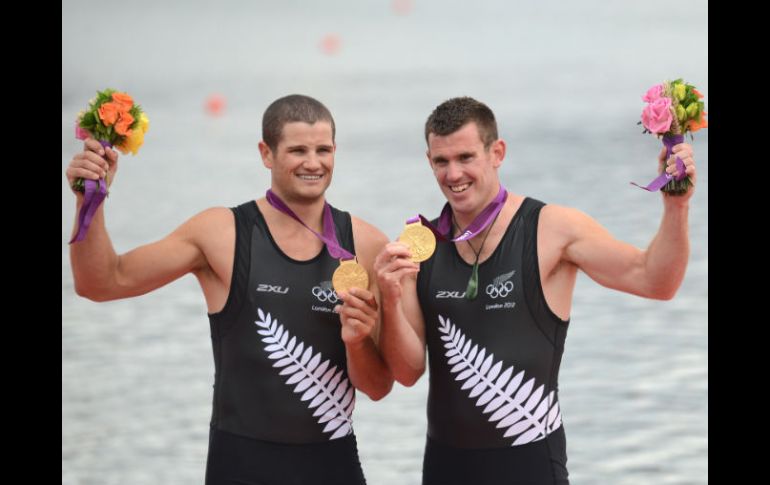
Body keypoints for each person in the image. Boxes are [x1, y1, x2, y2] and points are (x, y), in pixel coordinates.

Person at [67, 94, 393, 485]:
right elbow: (101, 283)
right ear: (266, 153)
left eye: (323, 150)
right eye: (298, 150)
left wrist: (357, 343)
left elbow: (378, 387)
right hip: (240, 467)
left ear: (335, 151)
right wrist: (91, 201)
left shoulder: (368, 244)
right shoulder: (221, 234)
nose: (313, 162)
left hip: (333, 468)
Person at [374, 96, 696, 485]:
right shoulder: (418, 245)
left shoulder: (552, 229)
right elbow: (408, 373)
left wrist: (676, 206)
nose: (453, 174)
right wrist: (389, 300)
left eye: (465, 157)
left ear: (497, 152)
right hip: (445, 466)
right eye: (441, 162)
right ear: (429, 161)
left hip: (529, 465)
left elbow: (655, 281)